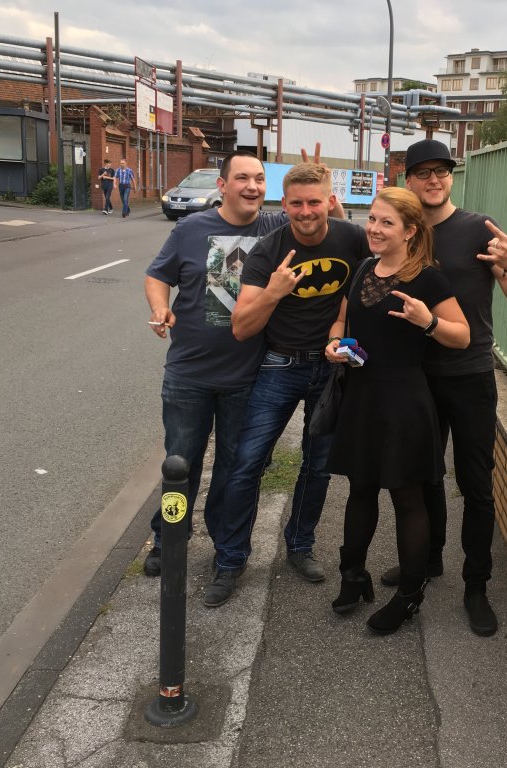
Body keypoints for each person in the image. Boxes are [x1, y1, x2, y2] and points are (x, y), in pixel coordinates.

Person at [142, 148, 340, 608]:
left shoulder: (276, 226)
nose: (252, 186)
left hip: (248, 375)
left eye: (259, 179)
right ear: (223, 185)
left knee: (234, 470)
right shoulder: (191, 228)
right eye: (243, 178)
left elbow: (324, 225)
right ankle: (168, 538)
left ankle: (223, 547)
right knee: (180, 465)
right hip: (189, 372)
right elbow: (156, 275)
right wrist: (159, 307)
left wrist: (324, 186)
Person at [383, 139, 507, 638]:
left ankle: (476, 585)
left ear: (451, 177)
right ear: (408, 179)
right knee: (424, 476)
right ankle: (428, 560)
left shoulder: (478, 229)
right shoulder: (402, 231)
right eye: (424, 172)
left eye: (442, 171)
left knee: (476, 484)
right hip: (416, 376)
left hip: (469, 375)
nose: (434, 180)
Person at [325, 188, 469, 635]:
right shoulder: (363, 269)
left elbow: (462, 335)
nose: (374, 228)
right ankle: (353, 576)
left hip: (404, 401)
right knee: (360, 488)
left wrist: (429, 322)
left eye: (386, 222)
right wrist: (334, 343)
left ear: (410, 231)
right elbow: (342, 319)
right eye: (372, 219)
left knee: (407, 498)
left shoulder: (428, 279)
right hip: (362, 395)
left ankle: (409, 595)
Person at [228, 162, 369, 604]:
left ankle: (300, 544)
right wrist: (274, 291)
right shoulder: (268, 251)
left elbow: (393, 265)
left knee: (319, 465)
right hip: (280, 365)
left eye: (314, 202)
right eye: (296, 204)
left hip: (330, 368)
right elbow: (241, 328)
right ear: (283, 204)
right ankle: (230, 559)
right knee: (248, 463)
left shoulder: (353, 238)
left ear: (329, 201)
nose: (305, 212)